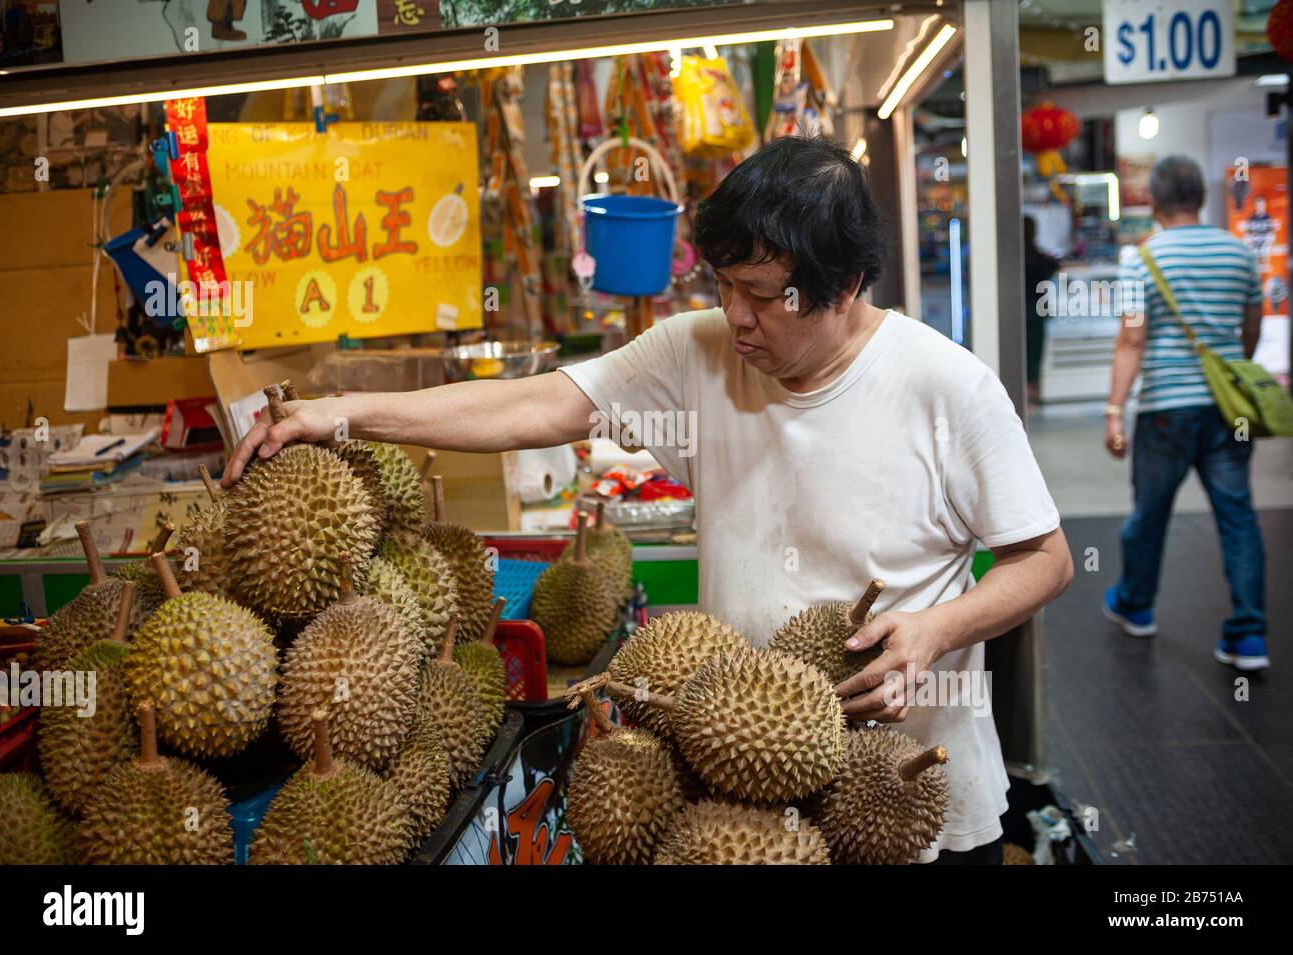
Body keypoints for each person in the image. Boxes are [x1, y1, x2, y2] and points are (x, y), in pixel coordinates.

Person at [224, 136, 1073, 862]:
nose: (735, 317)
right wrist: (344, 414)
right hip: (743, 790)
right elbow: (539, 404)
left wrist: (937, 630)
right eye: (723, 285)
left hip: (904, 791)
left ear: (844, 286)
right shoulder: (699, 351)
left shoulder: (946, 388)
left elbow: (1048, 559)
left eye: (764, 294)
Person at [1102, 155, 1268, 670]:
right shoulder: (1239, 253)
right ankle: (1248, 637)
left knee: (1149, 515)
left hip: (1167, 409)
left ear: (1152, 200)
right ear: (1199, 196)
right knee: (1238, 517)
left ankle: (1136, 605)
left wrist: (1114, 409)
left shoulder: (1142, 259)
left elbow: (1132, 339)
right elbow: (1251, 328)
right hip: (1227, 410)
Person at [1023, 215, 1060, 407]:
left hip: (1019, 312)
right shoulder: (1039, 258)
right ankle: (1030, 392)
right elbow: (1053, 266)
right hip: (1037, 310)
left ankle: (1022, 393)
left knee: (1018, 351)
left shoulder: (1012, 258)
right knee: (1034, 354)